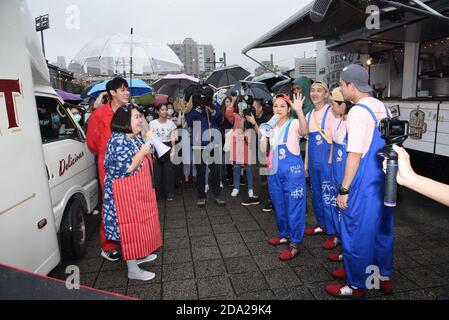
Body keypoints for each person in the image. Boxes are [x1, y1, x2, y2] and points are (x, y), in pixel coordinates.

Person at [325, 64, 393, 299]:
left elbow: (354, 154)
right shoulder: (384, 107)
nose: (341, 90)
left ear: (351, 85)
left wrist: (344, 189)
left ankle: (355, 285)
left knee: (356, 233)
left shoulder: (357, 111)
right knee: (381, 231)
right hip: (386, 180)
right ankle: (382, 277)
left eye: (342, 85)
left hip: (363, 183)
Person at [103, 104, 162, 281]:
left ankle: (139, 255)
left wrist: (147, 149)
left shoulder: (132, 137)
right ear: (124, 121)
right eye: (136, 117)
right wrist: (144, 151)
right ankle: (132, 269)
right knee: (130, 229)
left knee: (140, 225)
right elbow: (127, 167)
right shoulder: (119, 139)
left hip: (135, 192)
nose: (140, 120)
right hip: (124, 196)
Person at [86, 77, 130, 262]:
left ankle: (130, 242)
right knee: (110, 206)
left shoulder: (129, 112)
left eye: (127, 89)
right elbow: (92, 144)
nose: (127, 92)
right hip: (107, 167)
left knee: (128, 205)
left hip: (129, 165)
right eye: (122, 89)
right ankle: (108, 246)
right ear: (112, 92)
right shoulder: (99, 114)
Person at [262, 93, 309, 261]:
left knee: (294, 206)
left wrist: (300, 112)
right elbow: (262, 151)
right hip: (274, 171)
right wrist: (264, 133)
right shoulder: (271, 127)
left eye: (282, 106)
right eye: (276, 106)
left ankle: (295, 243)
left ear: (288, 109)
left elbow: (305, 131)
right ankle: (284, 234)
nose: (278, 109)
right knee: (278, 204)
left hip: (292, 172)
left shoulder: (294, 123)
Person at [304, 81, 339, 252]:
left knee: (330, 197)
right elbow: (310, 140)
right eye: (312, 90)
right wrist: (306, 164)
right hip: (313, 162)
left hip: (327, 162)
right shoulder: (309, 115)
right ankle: (321, 224)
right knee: (316, 194)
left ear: (326, 94)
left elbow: (335, 141)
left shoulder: (330, 112)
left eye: (319, 90)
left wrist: (330, 164)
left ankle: (334, 233)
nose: (315, 93)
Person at [185, 84, 225, 207]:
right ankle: (201, 196)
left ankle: (217, 195)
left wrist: (211, 110)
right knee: (201, 172)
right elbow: (190, 121)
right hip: (199, 145)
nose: (205, 98)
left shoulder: (214, 106)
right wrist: (198, 108)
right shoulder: (194, 107)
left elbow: (220, 120)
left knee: (216, 172)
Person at [326, 87, 353, 263]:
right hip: (336, 168)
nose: (331, 108)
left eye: (333, 104)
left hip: (346, 172)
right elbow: (334, 145)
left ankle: (348, 253)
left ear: (342, 105)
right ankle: (342, 243)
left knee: (347, 213)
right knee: (339, 212)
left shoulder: (352, 122)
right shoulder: (339, 120)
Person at [225, 96, 256, 203]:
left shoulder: (250, 115)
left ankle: (251, 188)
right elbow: (228, 113)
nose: (242, 105)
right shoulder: (235, 115)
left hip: (247, 144)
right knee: (236, 167)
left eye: (244, 103)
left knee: (249, 168)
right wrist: (233, 100)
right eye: (240, 103)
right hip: (236, 144)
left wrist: (247, 116)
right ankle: (236, 187)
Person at [245, 98, 273, 209]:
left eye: (254, 107)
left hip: (266, 151)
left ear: (261, 108)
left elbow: (263, 135)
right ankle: (255, 196)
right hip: (255, 150)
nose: (252, 109)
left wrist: (254, 123)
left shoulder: (268, 118)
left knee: (266, 176)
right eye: (251, 107)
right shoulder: (253, 117)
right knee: (255, 174)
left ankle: (271, 199)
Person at [150, 103, 177, 201]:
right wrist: (152, 151)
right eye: (162, 109)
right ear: (157, 111)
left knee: (168, 172)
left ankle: (169, 193)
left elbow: (173, 138)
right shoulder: (152, 123)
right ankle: (157, 194)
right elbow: (150, 138)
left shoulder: (171, 123)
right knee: (157, 173)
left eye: (166, 109)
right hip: (156, 148)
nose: (165, 111)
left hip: (168, 147)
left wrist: (173, 149)